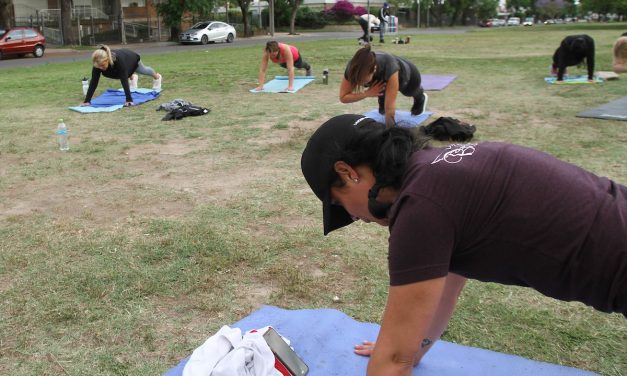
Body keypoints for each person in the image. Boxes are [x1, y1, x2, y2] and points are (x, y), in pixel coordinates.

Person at [300, 114, 627, 376]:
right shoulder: (434, 173)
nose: (353, 218)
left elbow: (391, 365)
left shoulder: (420, 208)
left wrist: (396, 356)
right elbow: (447, 289)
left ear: (347, 172)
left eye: (339, 203)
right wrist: (410, 349)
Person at [340, 45, 428, 127]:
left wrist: (390, 132)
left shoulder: (389, 67)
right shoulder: (352, 69)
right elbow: (343, 97)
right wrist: (367, 93)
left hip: (408, 75)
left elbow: (390, 110)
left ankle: (420, 96)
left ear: (374, 69)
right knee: (381, 96)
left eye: (362, 79)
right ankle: (382, 98)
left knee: (409, 92)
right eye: (357, 80)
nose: (359, 82)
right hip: (382, 76)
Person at [80, 45, 162, 107]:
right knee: (122, 73)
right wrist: (87, 101)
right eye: (99, 66)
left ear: (108, 59)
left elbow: (123, 79)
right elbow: (94, 81)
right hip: (122, 67)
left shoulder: (118, 60)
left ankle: (157, 77)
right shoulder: (98, 64)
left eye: (102, 65)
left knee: (143, 70)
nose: (101, 68)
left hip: (131, 58)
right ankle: (133, 77)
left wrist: (129, 99)